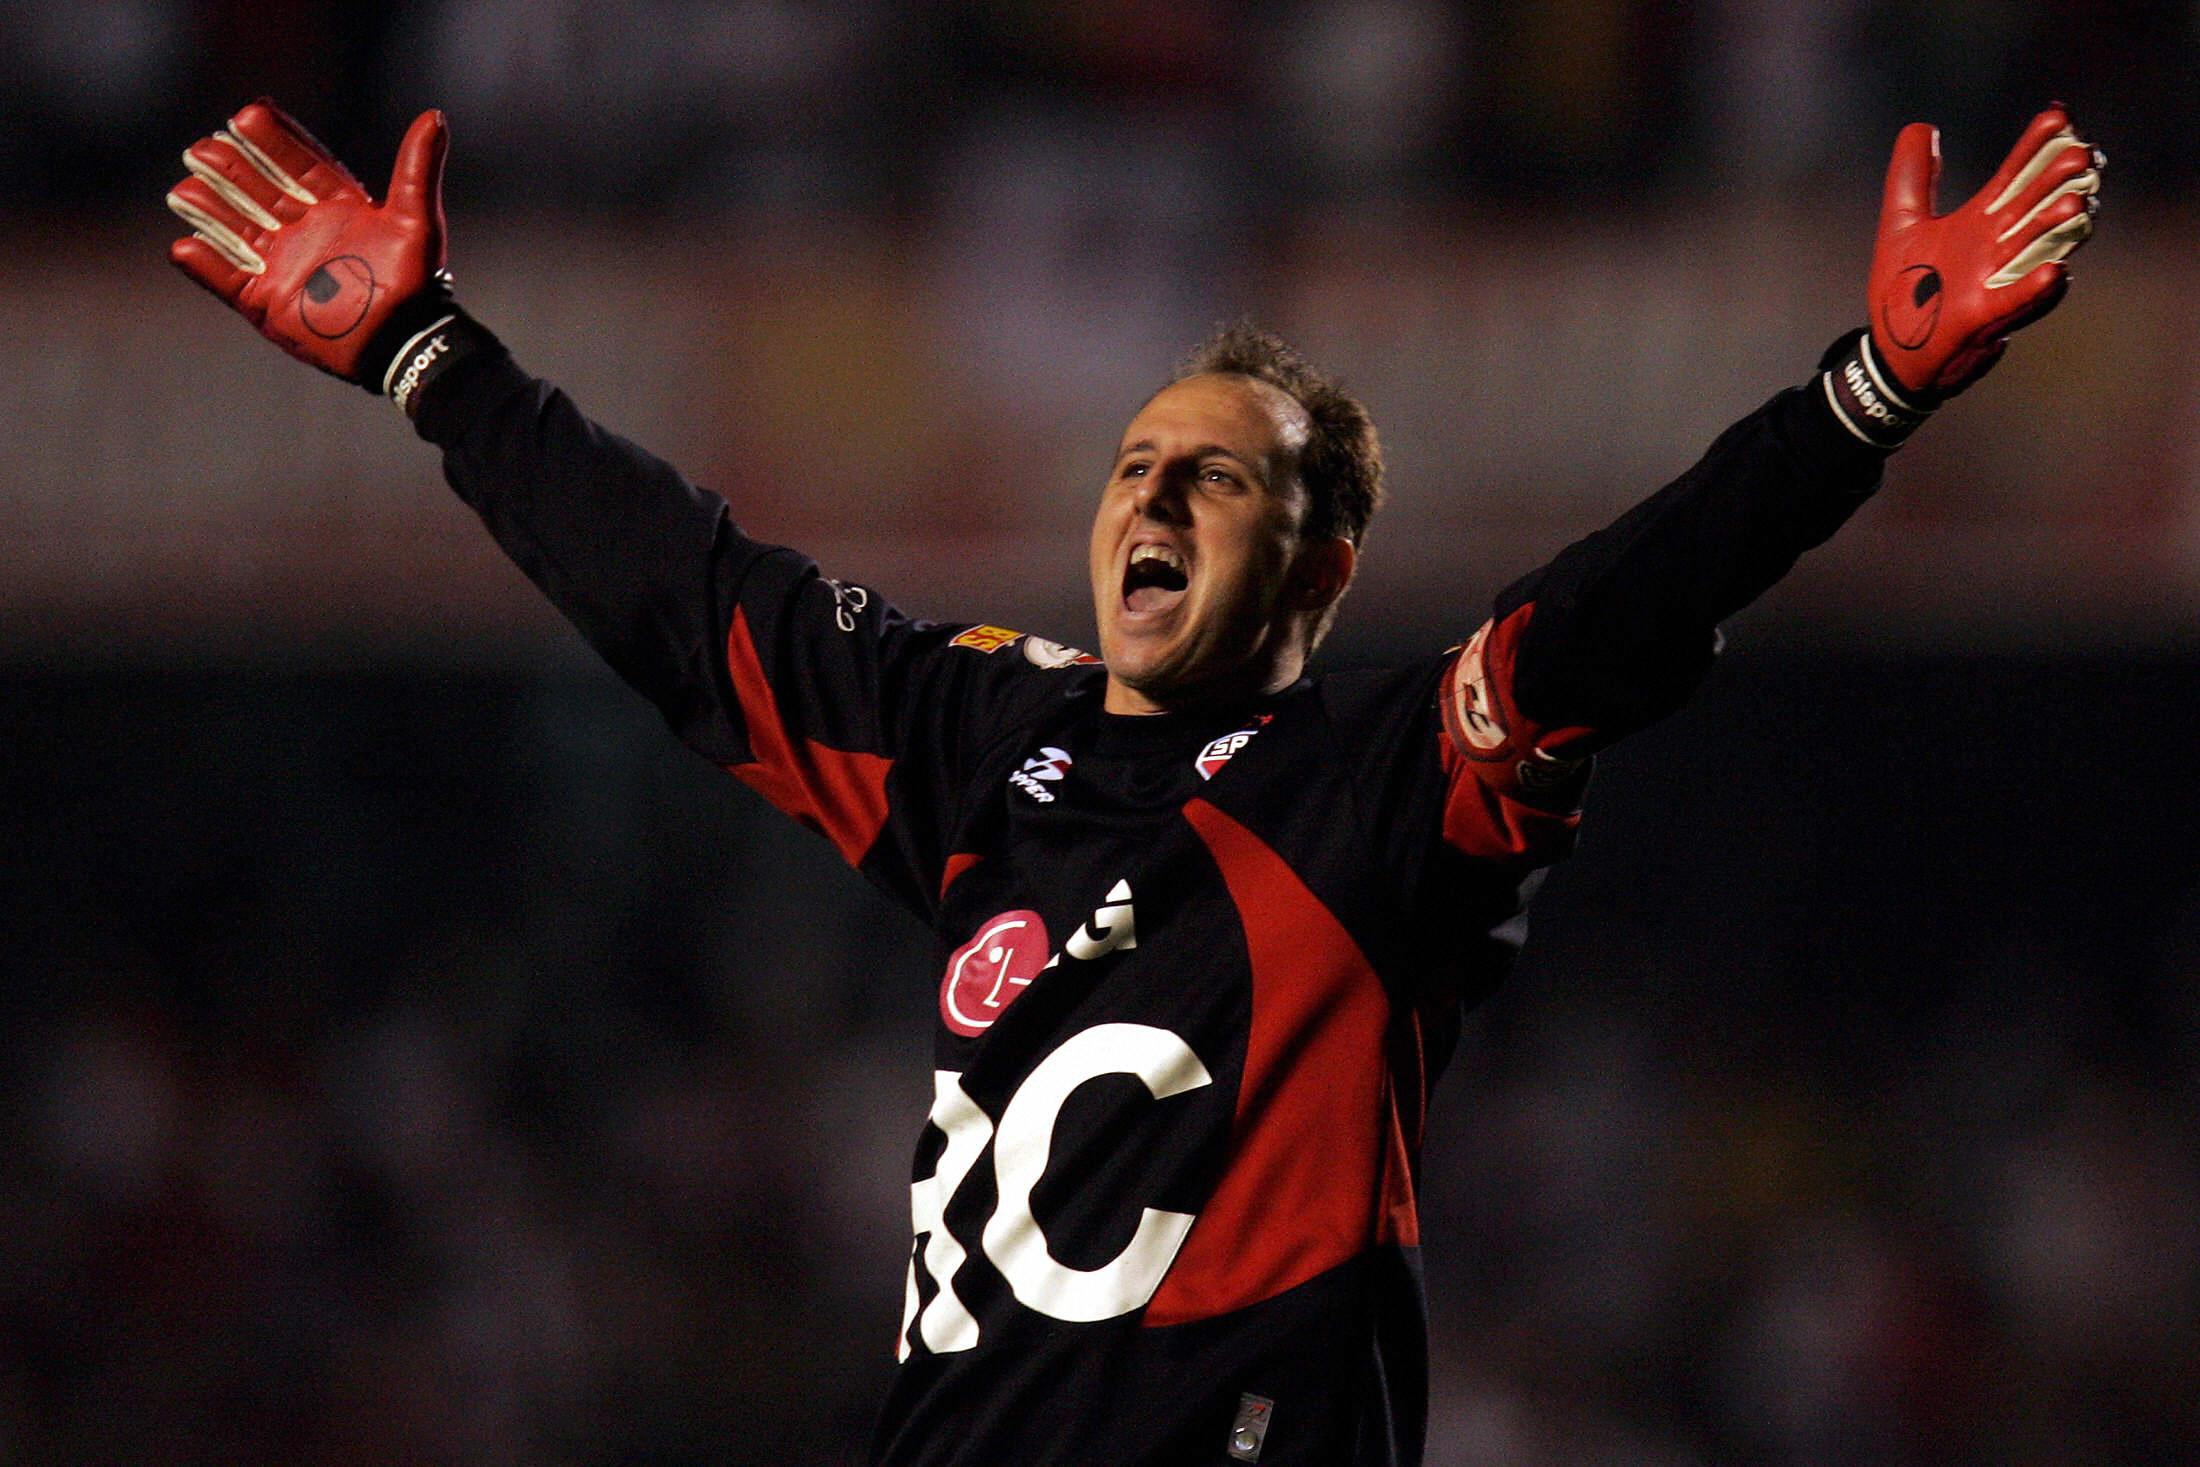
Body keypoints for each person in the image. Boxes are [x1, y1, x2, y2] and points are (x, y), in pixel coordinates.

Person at [165, 97, 2099, 1466]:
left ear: (1321, 567)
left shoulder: (1382, 785)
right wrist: (431, 357)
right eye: (1132, 465)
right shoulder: (984, 738)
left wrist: (1863, 400)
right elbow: (690, 600)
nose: (1152, 492)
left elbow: (1604, 618)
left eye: (1219, 472)